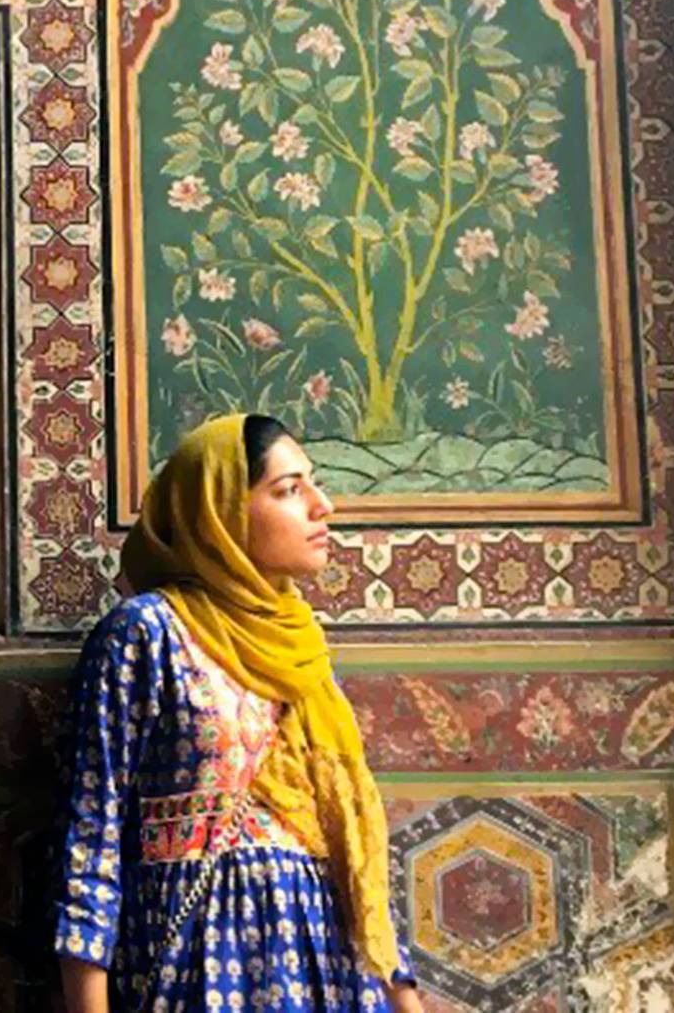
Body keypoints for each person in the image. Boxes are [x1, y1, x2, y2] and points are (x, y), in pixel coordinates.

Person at [51, 413, 425, 1013]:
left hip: (325, 970)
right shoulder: (148, 632)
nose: (322, 506)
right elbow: (93, 837)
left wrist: (402, 997)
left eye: (313, 484)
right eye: (288, 490)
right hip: (201, 969)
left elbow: (354, 855)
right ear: (220, 513)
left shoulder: (302, 654)